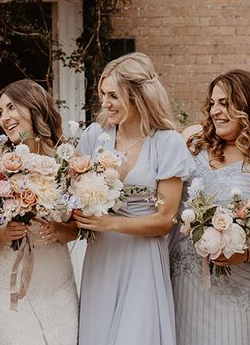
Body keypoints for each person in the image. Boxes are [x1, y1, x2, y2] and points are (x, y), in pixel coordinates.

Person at [71, 52, 194, 345]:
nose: (105, 103)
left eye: (113, 95)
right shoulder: (93, 136)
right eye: (103, 94)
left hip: (142, 257)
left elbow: (165, 219)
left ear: (138, 96)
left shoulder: (167, 143)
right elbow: (71, 191)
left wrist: (109, 223)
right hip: (102, 256)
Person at [171, 70, 250, 345]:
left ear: (247, 106)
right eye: (213, 103)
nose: (215, 110)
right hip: (187, 284)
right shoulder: (192, 144)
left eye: (225, 103)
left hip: (243, 285)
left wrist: (245, 254)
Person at [0, 80, 78, 345]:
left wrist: (58, 230)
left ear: (33, 107)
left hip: (55, 280)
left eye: (11, 107)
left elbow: (78, 227)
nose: (5, 117)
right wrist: (3, 234)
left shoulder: (66, 162)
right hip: (4, 282)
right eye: (0, 111)